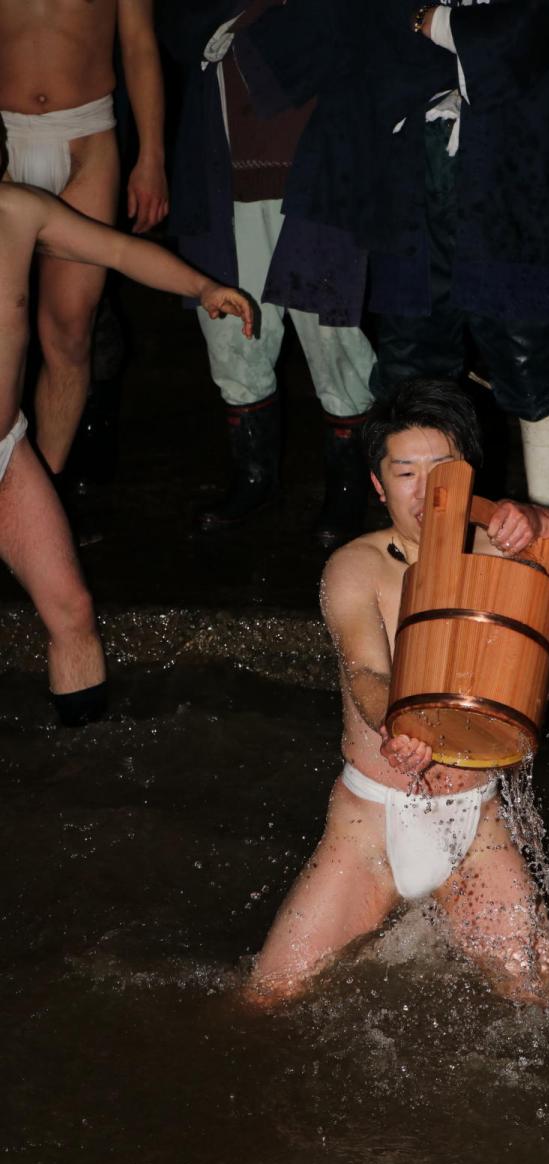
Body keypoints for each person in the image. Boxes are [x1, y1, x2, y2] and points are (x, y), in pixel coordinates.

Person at [247, 379, 549, 1007]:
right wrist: (398, 725)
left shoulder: (508, 549)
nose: (425, 493)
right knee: (266, 999)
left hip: (474, 825)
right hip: (369, 828)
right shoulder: (356, 566)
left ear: (469, 473)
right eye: (405, 474)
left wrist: (541, 521)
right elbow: (367, 673)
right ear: (378, 485)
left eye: (442, 471)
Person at [235, 0, 549, 510]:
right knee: (412, 368)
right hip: (411, 184)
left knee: (530, 357)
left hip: (518, 184)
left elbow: (528, 34)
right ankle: (422, 536)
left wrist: (431, 19)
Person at [0, 118, 253, 725]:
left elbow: (116, 251)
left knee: (72, 609)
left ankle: (83, 758)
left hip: (7, 451)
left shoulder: (18, 210)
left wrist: (202, 285)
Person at [159, 1, 376, 547]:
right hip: (222, 183)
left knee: (337, 342)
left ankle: (349, 488)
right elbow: (179, 31)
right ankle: (254, 478)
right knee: (232, 336)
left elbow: (348, 37)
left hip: (322, 183)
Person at [0, 0, 169, 495]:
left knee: (71, 331)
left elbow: (138, 44)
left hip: (87, 142)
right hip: (2, 139)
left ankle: (42, 494)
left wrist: (152, 157)